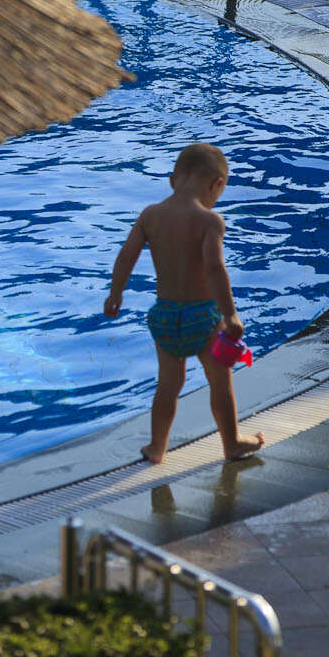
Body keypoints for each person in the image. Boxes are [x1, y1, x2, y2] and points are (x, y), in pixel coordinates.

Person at [103, 143, 266, 465]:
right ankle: (232, 442)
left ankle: (157, 447)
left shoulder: (150, 215)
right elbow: (214, 269)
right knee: (220, 381)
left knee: (168, 385)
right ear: (217, 184)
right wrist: (230, 314)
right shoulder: (210, 220)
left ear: (172, 180)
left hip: (164, 316)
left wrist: (115, 293)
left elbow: (126, 256)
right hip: (203, 316)